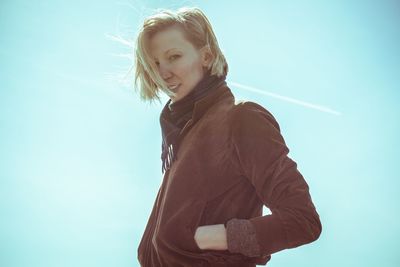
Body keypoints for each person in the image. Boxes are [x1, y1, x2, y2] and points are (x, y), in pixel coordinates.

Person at [134, 6, 322, 267]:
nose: (163, 73)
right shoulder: (179, 139)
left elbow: (302, 220)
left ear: (207, 56)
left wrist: (215, 237)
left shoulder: (241, 118)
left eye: (173, 56)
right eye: (155, 64)